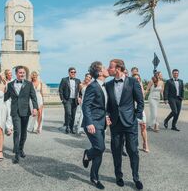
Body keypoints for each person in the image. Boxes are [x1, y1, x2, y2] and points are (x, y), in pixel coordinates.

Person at [106, 59, 144, 190]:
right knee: (116, 151)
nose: (108, 69)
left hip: (130, 122)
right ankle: (118, 176)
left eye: (110, 67)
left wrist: (137, 117)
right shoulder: (108, 84)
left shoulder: (133, 82)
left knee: (133, 150)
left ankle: (136, 177)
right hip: (115, 123)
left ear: (117, 69)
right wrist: (106, 116)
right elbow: (106, 104)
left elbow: (140, 101)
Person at [82, 61, 109, 190]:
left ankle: (94, 178)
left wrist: (107, 117)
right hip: (92, 123)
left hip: (101, 122)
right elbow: (85, 105)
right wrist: (89, 123)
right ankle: (87, 154)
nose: (106, 69)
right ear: (99, 73)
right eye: (104, 68)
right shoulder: (92, 86)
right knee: (100, 147)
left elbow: (103, 105)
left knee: (99, 152)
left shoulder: (104, 86)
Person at [4, 66, 38, 164]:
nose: (22, 74)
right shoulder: (10, 85)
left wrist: (35, 108)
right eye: (20, 72)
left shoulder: (29, 84)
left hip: (25, 111)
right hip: (15, 111)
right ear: (16, 73)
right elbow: (6, 97)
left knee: (24, 132)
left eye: (23, 72)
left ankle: (21, 148)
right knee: (17, 131)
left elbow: (33, 97)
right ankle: (16, 155)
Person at [59, 67, 81, 134]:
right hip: (67, 100)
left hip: (75, 100)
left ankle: (71, 128)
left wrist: (80, 97)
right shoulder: (64, 80)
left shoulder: (78, 80)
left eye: (74, 72)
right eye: (72, 72)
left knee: (73, 115)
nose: (73, 73)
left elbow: (80, 91)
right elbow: (60, 90)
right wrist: (63, 99)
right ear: (69, 73)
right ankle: (67, 126)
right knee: (68, 113)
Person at [133, 74, 149, 153]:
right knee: (133, 128)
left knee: (143, 126)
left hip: (140, 109)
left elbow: (142, 99)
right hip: (131, 109)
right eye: (135, 78)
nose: (137, 80)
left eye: (138, 78)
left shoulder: (140, 87)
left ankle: (145, 143)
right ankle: (133, 145)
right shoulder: (129, 87)